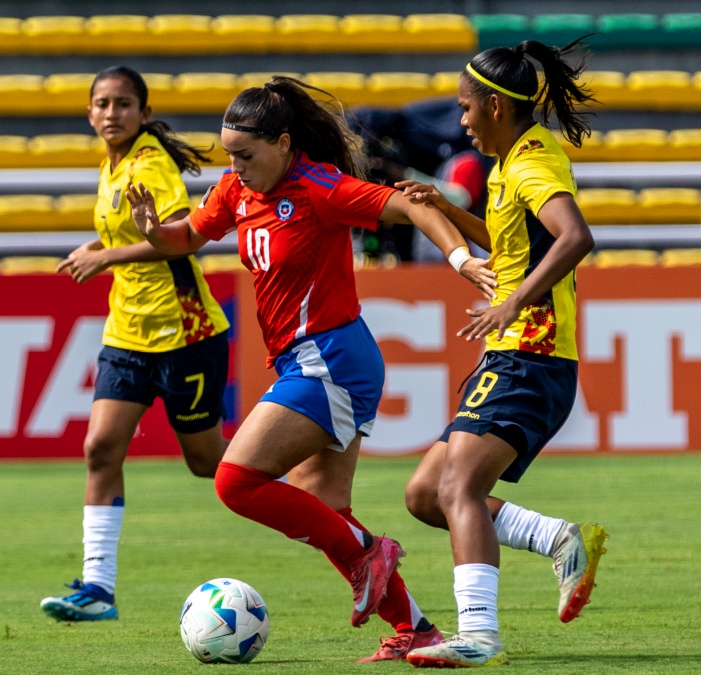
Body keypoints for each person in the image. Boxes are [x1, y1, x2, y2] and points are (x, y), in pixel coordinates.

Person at [125, 75, 498, 662]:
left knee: (235, 480)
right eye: (228, 155)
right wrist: (154, 231)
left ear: (283, 142)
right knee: (327, 510)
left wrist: (458, 257)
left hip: (333, 361)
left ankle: (368, 553)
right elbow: (188, 238)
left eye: (246, 155)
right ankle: (416, 628)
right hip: (306, 361)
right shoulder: (235, 191)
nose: (236, 166)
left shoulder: (320, 187)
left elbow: (407, 205)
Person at [397, 39, 609, 668]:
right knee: (425, 494)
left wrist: (514, 302)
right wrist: (450, 214)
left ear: (494, 105)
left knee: (458, 486)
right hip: (511, 356)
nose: (460, 121)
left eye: (465, 109)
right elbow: (514, 246)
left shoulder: (529, 163)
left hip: (531, 355)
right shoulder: (508, 163)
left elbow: (575, 237)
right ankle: (559, 539)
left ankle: (479, 634)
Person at [40, 66, 231, 623]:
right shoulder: (113, 163)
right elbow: (131, 231)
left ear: (144, 113)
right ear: (90, 111)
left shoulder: (151, 163)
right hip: (127, 333)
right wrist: (100, 244)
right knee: (101, 448)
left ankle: (308, 501)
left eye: (124, 104)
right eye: (102, 103)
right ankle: (98, 588)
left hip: (183, 331)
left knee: (207, 465)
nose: (111, 113)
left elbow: (176, 240)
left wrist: (103, 257)